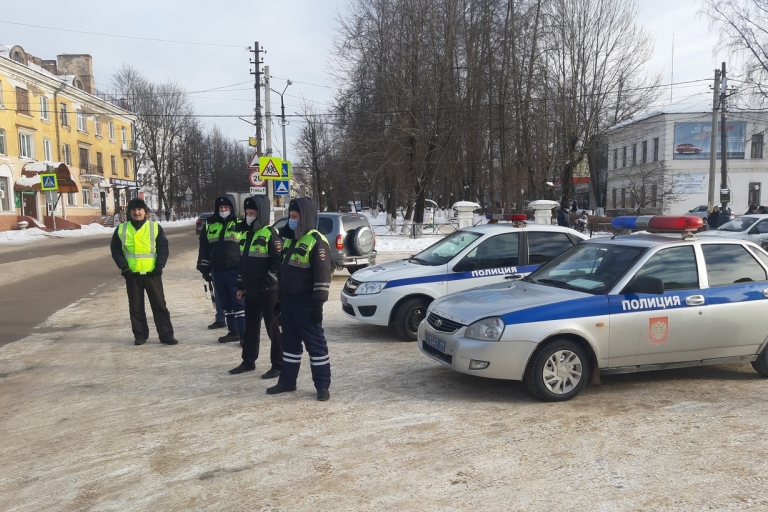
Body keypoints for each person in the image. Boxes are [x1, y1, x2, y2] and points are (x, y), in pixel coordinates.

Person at [267, 197, 332, 401]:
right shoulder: (289, 239)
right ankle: (287, 381)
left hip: (306, 303)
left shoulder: (317, 241)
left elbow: (322, 277)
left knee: (316, 346)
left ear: (305, 217)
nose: (291, 220)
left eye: (295, 217)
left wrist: (318, 305)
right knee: (290, 344)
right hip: (288, 302)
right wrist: (280, 299)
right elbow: (284, 272)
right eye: (290, 216)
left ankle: (322, 386)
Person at [229, 196, 284, 379]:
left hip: (268, 292)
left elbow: (278, 263)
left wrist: (267, 281)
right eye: (247, 213)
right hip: (251, 291)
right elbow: (242, 263)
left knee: (273, 329)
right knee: (250, 329)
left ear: (261, 214)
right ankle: (248, 361)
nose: (249, 216)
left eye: (253, 213)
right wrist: (240, 285)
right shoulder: (246, 234)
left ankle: (278, 365)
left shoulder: (271, 234)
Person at [110, 198, 177, 346]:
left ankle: (166, 335)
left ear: (145, 211)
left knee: (159, 305)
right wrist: (124, 267)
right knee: (135, 307)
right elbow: (116, 251)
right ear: (129, 212)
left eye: (139, 209)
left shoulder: (154, 227)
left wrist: (159, 266)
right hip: (132, 275)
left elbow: (163, 248)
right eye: (133, 210)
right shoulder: (122, 229)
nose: (136, 212)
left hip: (152, 274)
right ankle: (140, 335)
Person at [197, 196, 246, 343]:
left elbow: (245, 247)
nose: (223, 210)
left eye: (226, 208)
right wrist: (204, 268)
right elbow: (204, 248)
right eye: (221, 208)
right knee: (226, 304)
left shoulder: (240, 224)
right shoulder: (210, 225)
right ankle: (233, 332)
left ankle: (244, 335)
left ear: (231, 208)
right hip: (217, 270)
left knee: (239, 304)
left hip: (235, 270)